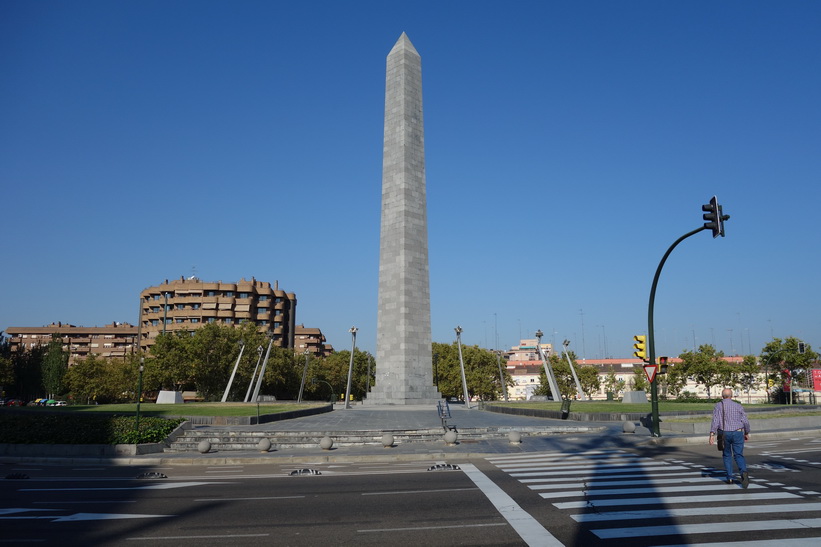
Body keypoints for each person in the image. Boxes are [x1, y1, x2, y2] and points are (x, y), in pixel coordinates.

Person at [709, 388, 751, 488]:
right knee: (738, 455)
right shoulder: (738, 406)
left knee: (727, 455)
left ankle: (730, 477)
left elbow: (716, 421)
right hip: (738, 432)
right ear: (731, 396)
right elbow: (745, 421)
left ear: (722, 396)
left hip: (724, 433)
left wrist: (712, 434)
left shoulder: (719, 406)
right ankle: (743, 471)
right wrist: (746, 432)